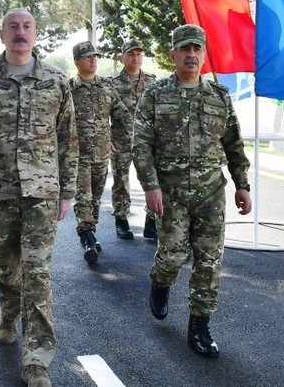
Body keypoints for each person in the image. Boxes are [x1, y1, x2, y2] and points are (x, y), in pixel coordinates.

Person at [0, 9, 78, 387]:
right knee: (5, 267)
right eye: (13, 27)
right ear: (2, 33)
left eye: (26, 27)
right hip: (0, 191)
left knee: (37, 273)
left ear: (35, 33)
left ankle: (37, 361)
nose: (20, 32)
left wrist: (68, 191)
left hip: (43, 193)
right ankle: (9, 313)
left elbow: (68, 139)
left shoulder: (56, 81)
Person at [132, 24, 252, 358]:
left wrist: (242, 185)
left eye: (197, 49)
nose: (191, 55)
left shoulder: (219, 96)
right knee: (172, 257)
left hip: (210, 194)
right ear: (173, 55)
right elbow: (141, 145)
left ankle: (200, 326)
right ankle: (160, 283)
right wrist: (151, 187)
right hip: (170, 194)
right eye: (185, 49)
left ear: (204, 54)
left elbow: (234, 144)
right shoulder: (155, 94)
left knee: (209, 262)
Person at [69, 41, 132, 264]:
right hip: (77, 156)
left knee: (95, 198)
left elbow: (123, 116)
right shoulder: (68, 89)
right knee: (83, 198)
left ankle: (90, 233)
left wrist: (115, 139)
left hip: (102, 155)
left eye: (95, 56)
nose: (93, 60)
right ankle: (87, 236)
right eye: (88, 57)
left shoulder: (106, 86)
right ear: (77, 62)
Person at [106, 38, 157, 240]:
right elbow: (103, 113)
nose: (135, 57)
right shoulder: (112, 84)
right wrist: (106, 137)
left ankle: (152, 221)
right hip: (120, 141)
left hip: (147, 142)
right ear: (122, 57)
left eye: (138, 54)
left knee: (153, 180)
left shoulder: (152, 82)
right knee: (121, 181)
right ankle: (121, 220)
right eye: (131, 54)